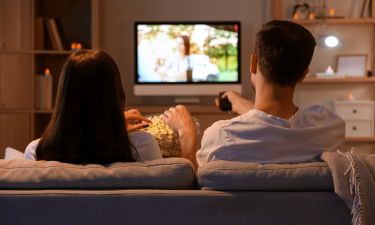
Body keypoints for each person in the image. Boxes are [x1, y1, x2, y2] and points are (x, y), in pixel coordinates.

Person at [163, 20, 345, 168]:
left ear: (253, 63)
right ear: (304, 75)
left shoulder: (221, 136)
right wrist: (240, 103)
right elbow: (277, 125)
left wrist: (186, 132)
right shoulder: (330, 128)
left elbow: (193, 189)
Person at [24, 50, 162, 164]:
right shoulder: (142, 146)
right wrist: (115, 127)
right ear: (116, 95)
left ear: (63, 97)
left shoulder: (35, 152)